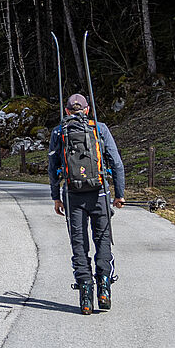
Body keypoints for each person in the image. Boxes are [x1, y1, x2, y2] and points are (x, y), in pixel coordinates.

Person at [48, 93, 125, 315]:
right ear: (88, 110)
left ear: (67, 111)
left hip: (72, 194)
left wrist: (56, 196)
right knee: (102, 239)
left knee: (79, 244)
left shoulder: (59, 131)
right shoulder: (100, 129)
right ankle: (104, 287)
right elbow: (116, 163)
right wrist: (119, 194)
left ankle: (85, 296)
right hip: (99, 193)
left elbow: (53, 168)